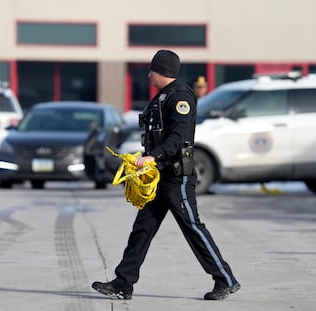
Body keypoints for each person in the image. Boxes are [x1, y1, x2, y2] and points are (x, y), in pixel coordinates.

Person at [92, 50, 241, 300]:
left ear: (161, 71)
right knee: (142, 229)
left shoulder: (180, 97)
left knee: (192, 227)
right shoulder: (162, 97)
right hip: (158, 177)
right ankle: (123, 282)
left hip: (176, 177)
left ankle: (225, 279)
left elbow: (178, 137)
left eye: (152, 70)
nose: (149, 75)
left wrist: (154, 156)